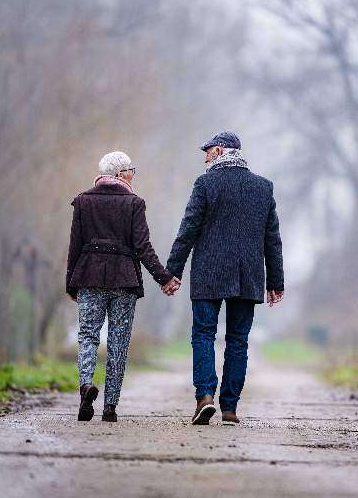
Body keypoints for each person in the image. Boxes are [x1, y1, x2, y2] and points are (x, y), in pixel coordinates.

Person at [165, 131, 284, 425]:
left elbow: (188, 228)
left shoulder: (206, 184)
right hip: (248, 276)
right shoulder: (263, 187)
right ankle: (229, 408)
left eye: (207, 151)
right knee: (238, 341)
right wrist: (275, 282)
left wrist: (172, 271)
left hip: (209, 274)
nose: (205, 157)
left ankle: (205, 396)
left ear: (219, 151)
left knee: (203, 335)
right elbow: (273, 239)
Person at [66, 151, 181, 422]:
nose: (132, 175)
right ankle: (110, 407)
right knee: (118, 342)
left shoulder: (83, 201)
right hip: (124, 281)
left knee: (88, 336)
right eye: (131, 170)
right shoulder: (134, 203)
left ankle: (85, 386)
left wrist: (71, 283)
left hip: (88, 278)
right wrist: (164, 277)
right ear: (120, 174)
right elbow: (142, 247)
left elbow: (74, 246)